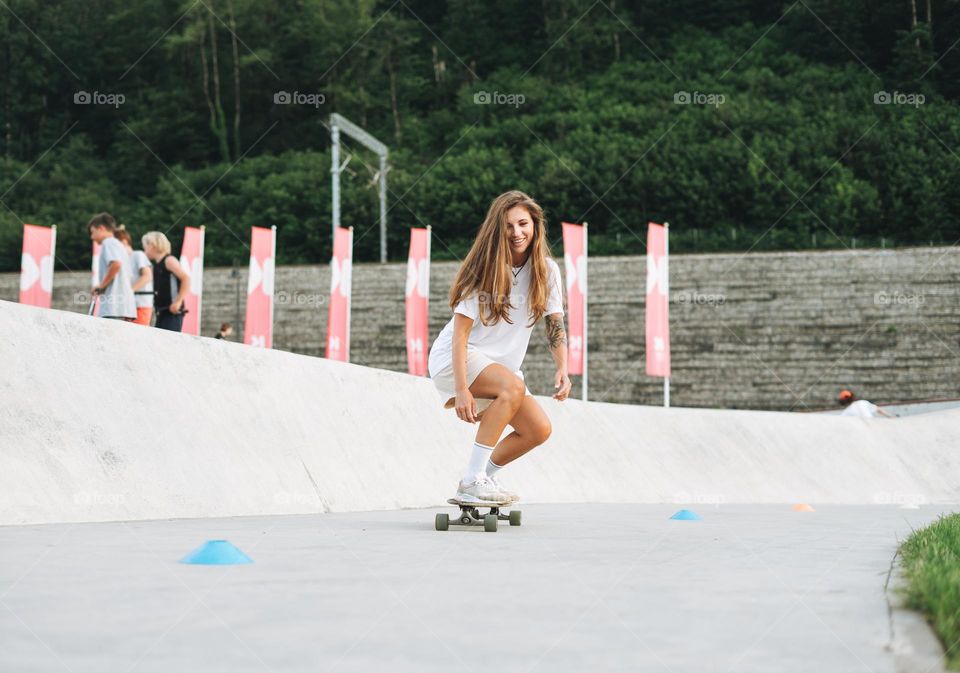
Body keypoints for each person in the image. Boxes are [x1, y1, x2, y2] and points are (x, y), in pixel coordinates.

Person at [427, 190, 571, 505]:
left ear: (535, 226)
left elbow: (554, 323)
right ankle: (470, 481)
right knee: (512, 386)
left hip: (502, 368)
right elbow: (460, 335)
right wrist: (462, 389)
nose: (517, 233)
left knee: (538, 429)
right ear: (497, 229)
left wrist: (563, 367)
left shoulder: (546, 271)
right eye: (508, 226)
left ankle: (484, 477)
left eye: (523, 224)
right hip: (455, 360)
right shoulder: (484, 269)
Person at [88, 213, 136, 321]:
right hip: (123, 306)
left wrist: (101, 286)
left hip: (114, 306)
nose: (92, 237)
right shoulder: (119, 245)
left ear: (101, 228)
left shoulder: (108, 243)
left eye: (93, 232)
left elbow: (116, 264)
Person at [142, 231, 191, 332]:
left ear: (152, 245)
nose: (144, 250)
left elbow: (186, 279)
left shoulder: (169, 260)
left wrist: (178, 302)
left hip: (173, 312)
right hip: (161, 312)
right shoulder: (155, 266)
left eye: (145, 247)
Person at [115, 226, 154, 326]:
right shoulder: (121, 261)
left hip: (141, 305)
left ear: (123, 242)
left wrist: (129, 291)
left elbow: (147, 276)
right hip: (128, 306)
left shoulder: (138, 255)